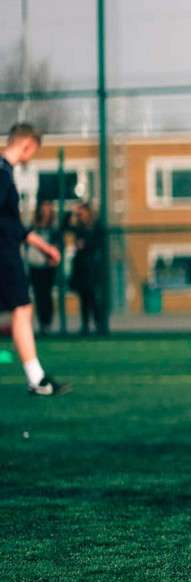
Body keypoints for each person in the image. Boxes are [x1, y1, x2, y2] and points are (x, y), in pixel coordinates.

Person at [0, 123, 68, 396]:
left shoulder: (5, 173)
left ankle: (37, 378)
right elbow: (11, 226)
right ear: (27, 145)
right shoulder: (3, 173)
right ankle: (37, 379)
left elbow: (13, 223)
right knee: (22, 309)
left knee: (22, 309)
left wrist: (43, 246)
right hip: (3, 254)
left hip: (7, 249)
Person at [67, 201, 106, 336]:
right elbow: (63, 226)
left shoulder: (96, 227)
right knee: (83, 299)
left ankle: (99, 325)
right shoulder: (79, 227)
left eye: (82, 212)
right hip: (81, 268)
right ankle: (85, 326)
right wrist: (71, 212)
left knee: (94, 298)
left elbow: (99, 243)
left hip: (93, 268)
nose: (80, 215)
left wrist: (86, 245)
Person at [25, 199, 60, 334]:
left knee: (46, 294)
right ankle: (41, 323)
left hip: (48, 267)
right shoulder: (34, 226)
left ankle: (47, 322)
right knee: (38, 295)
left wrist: (51, 254)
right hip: (35, 266)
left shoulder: (53, 227)